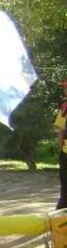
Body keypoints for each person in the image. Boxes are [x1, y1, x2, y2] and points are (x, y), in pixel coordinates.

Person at [55, 80, 67, 209]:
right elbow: (61, 129)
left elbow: (61, 130)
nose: (65, 91)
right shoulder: (64, 107)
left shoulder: (65, 107)